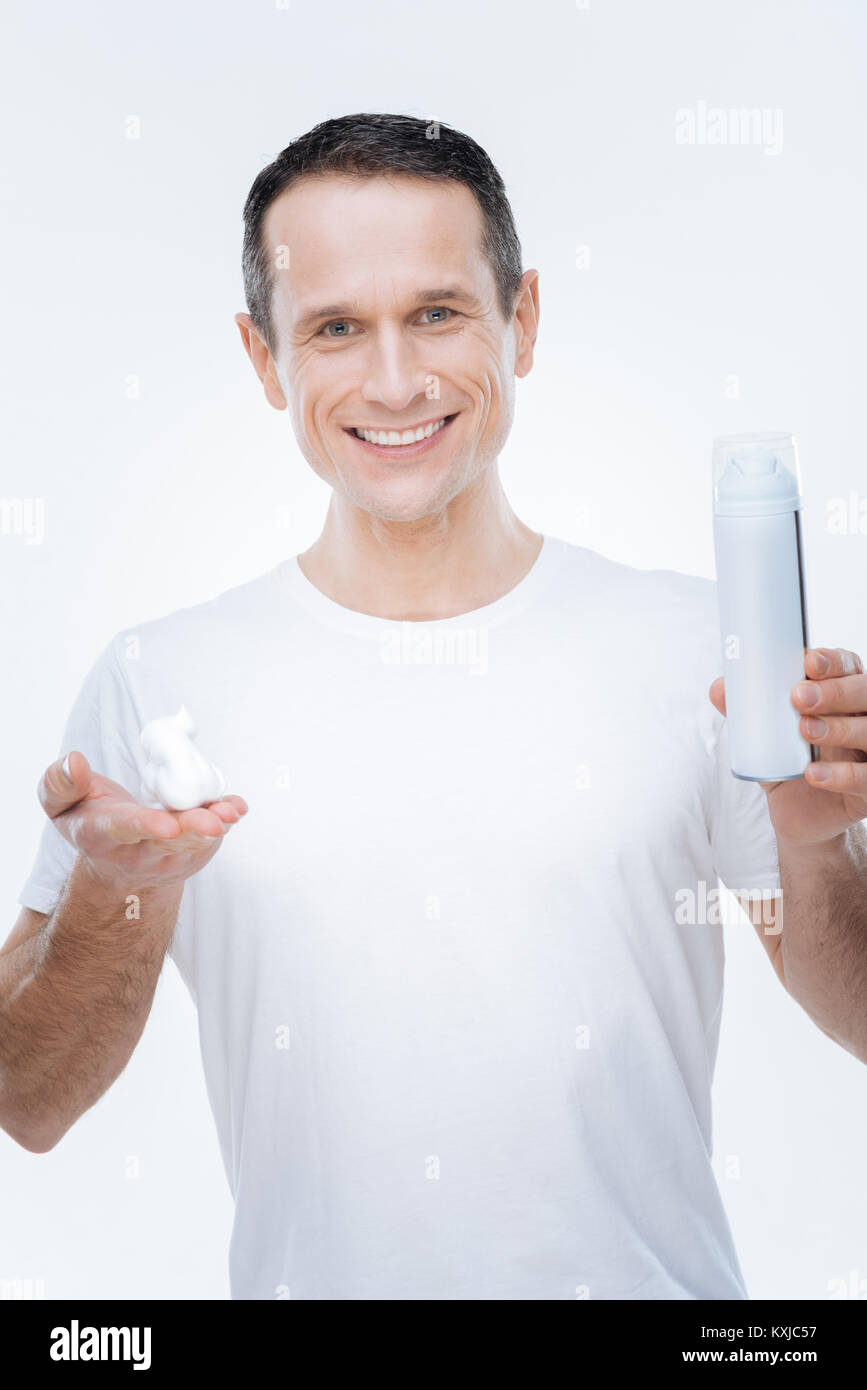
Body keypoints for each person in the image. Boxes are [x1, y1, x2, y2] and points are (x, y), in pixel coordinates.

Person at [4, 113, 867, 1302]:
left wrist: (821, 854)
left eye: (438, 312)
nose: (396, 380)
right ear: (265, 361)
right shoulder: (161, 686)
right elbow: (27, 1102)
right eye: (338, 328)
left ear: (522, 321)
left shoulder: (703, 655)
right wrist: (114, 895)